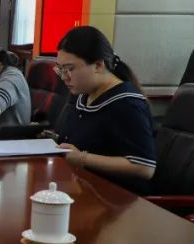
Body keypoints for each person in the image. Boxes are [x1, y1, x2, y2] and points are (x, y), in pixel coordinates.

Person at [53, 26, 156, 191]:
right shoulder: (83, 94)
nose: (64, 77)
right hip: (82, 186)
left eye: (70, 69)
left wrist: (82, 158)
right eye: (60, 69)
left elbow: (144, 167)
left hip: (116, 198)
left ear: (98, 65)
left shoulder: (127, 104)